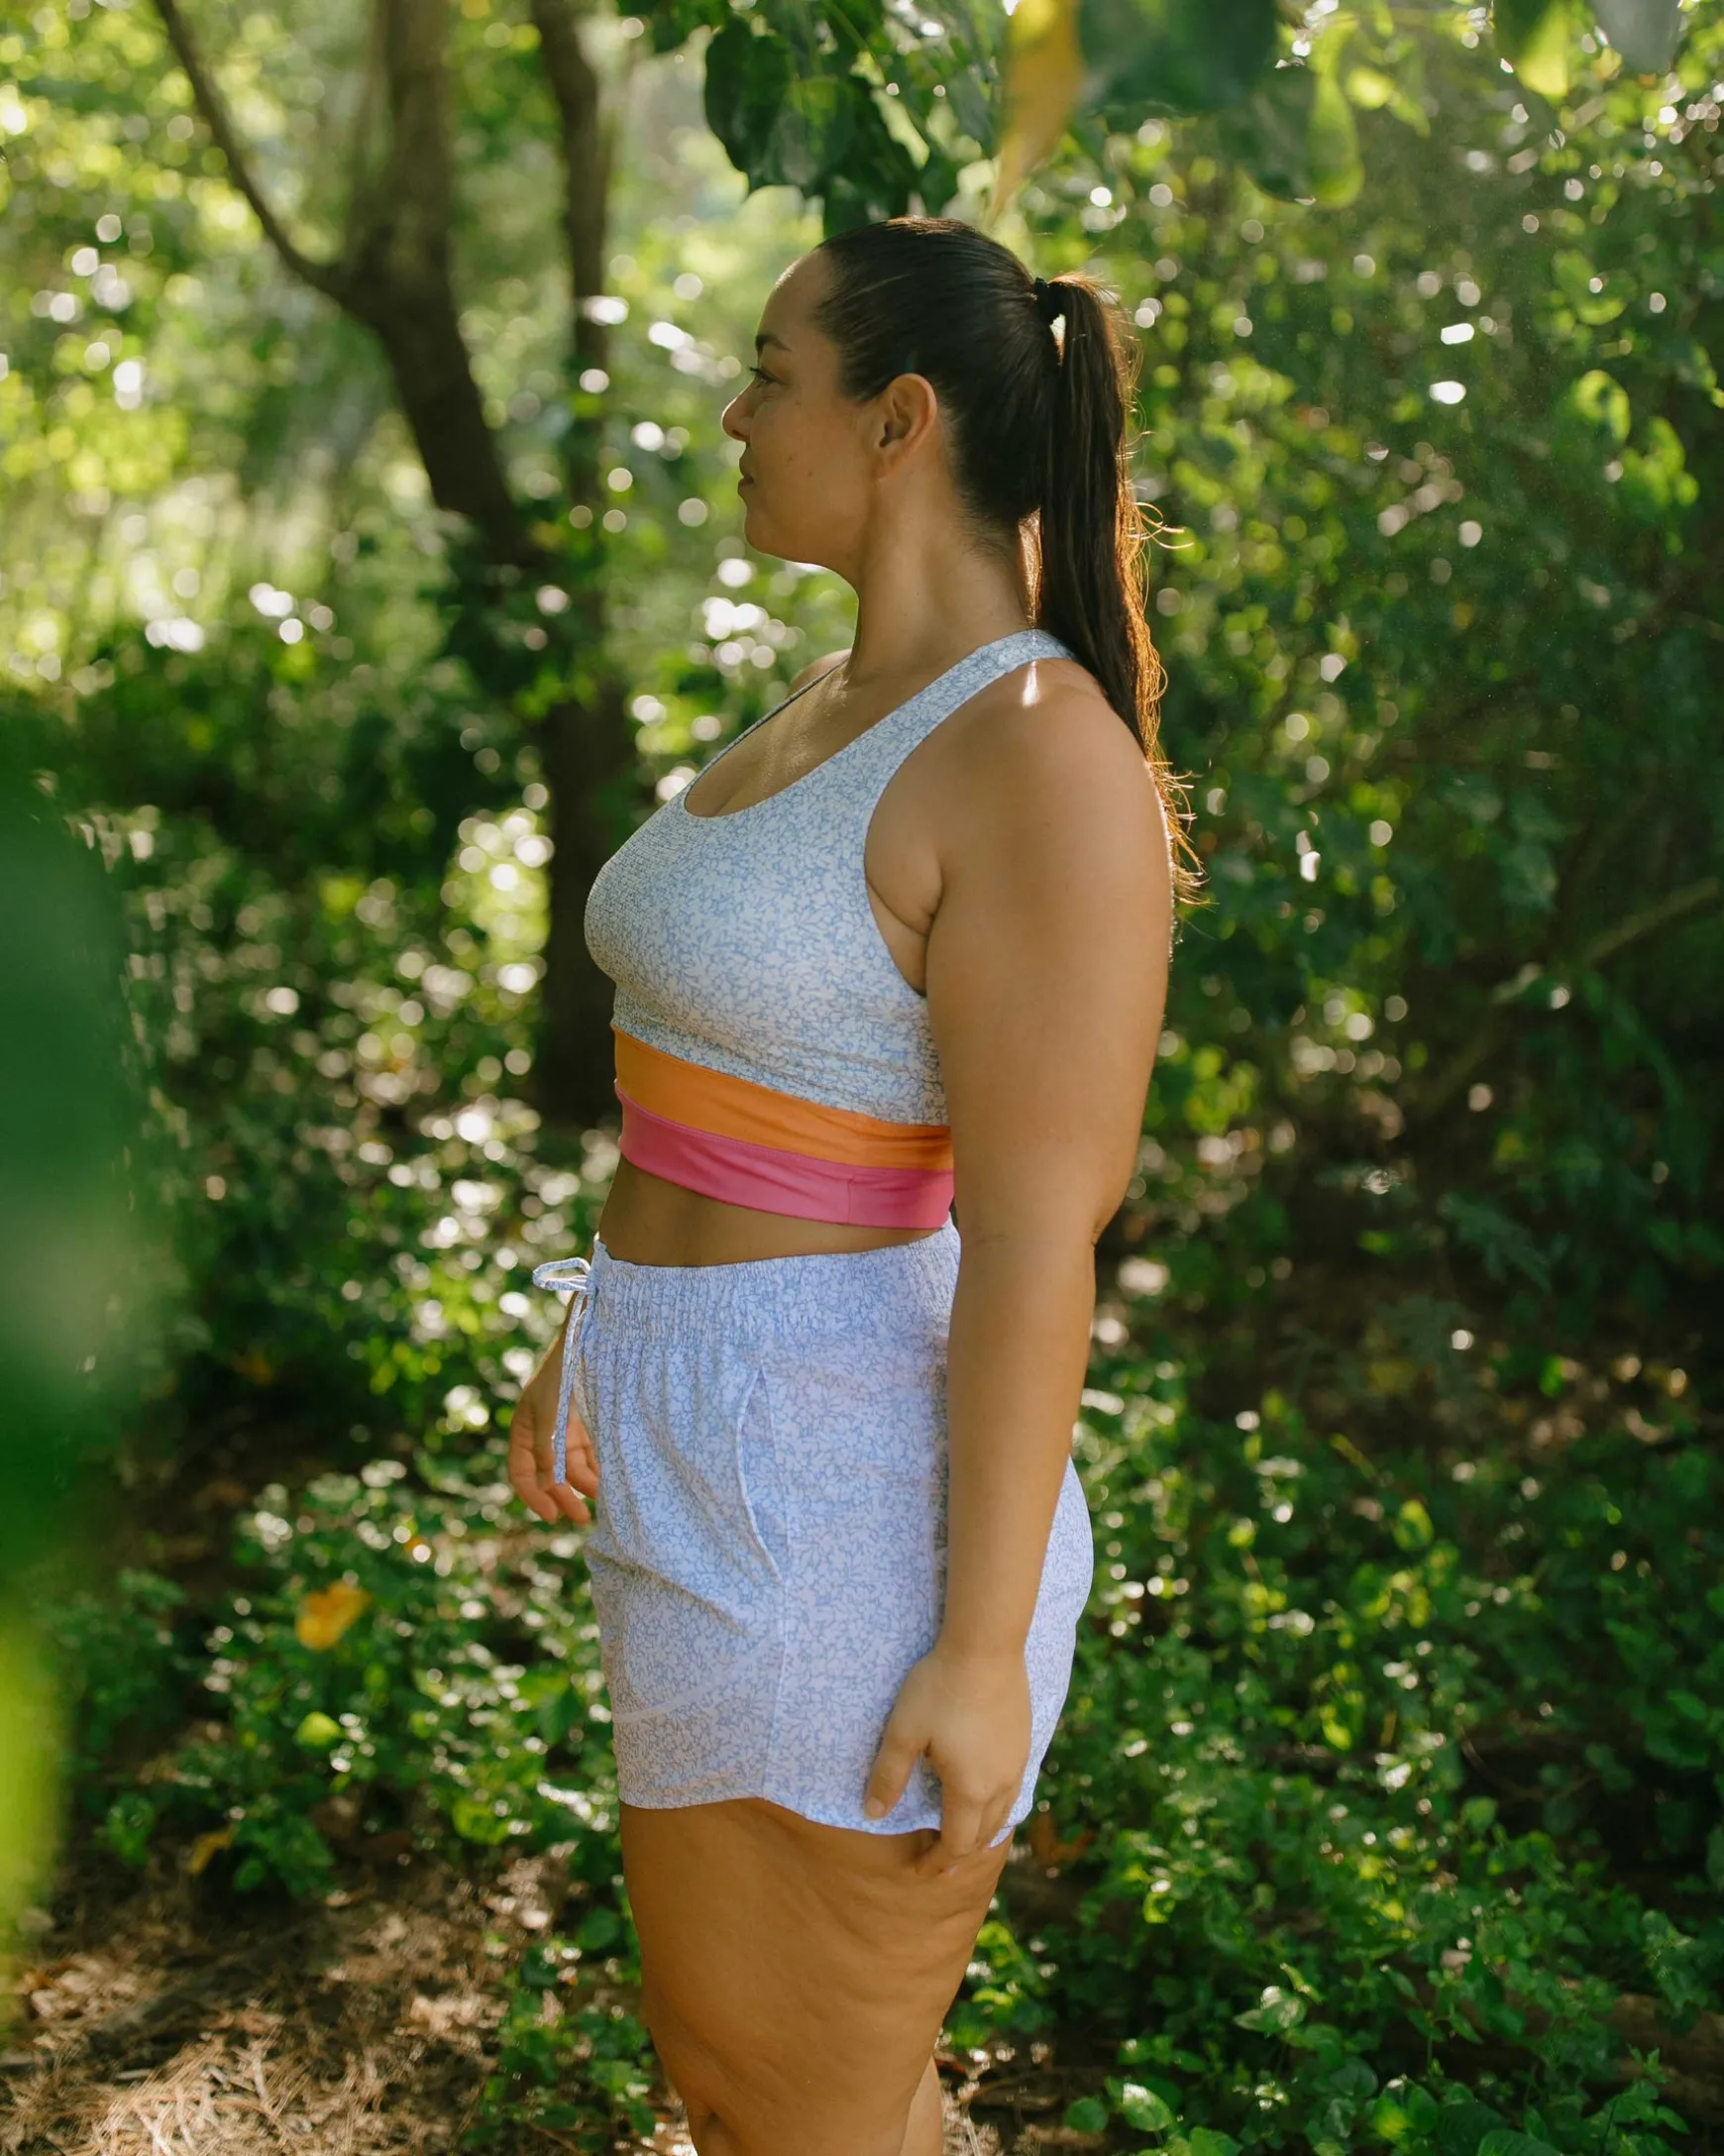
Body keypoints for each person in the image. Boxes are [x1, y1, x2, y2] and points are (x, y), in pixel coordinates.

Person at [505, 214, 1180, 2156]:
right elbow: (746, 1087)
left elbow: (1037, 1239)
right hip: (698, 1445)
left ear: (899, 422)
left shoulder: (1037, 753)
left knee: (784, 2109)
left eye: (768, 377)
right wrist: (604, 1321)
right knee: (771, 2091)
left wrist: (976, 1654)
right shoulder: (827, 701)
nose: (731, 419)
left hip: (847, 1525)